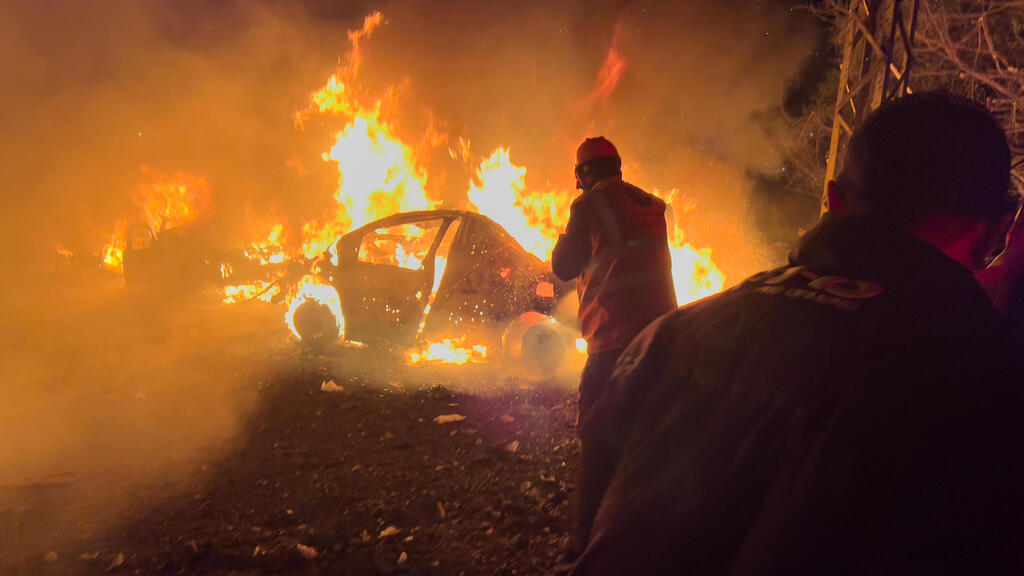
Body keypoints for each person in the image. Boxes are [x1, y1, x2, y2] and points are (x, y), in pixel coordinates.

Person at [569, 93, 1024, 575]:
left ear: (834, 200)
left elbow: (589, 523)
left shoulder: (674, 334)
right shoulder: (986, 385)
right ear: (996, 233)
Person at [551, 136, 677, 554]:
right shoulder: (653, 204)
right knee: (647, 438)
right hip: (663, 335)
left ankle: (585, 546)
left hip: (612, 340)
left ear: (583, 174)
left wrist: (562, 237)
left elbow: (564, 266)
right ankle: (644, 538)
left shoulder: (587, 206)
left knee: (597, 439)